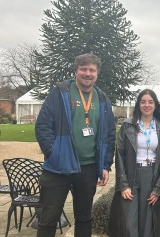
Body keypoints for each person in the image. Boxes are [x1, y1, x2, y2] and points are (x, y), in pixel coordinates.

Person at [35, 53, 116, 237]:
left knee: (84, 217)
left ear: (97, 73)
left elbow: (109, 135)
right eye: (83, 69)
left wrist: (104, 165)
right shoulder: (60, 92)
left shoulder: (102, 99)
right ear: (75, 71)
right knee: (49, 218)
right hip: (58, 167)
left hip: (87, 168)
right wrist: (54, 153)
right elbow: (42, 126)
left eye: (92, 70)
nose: (88, 73)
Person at [108, 89, 160, 237]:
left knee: (148, 223)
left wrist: (158, 187)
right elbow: (120, 156)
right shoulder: (128, 126)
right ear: (138, 104)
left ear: (155, 105)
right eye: (143, 102)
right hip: (132, 174)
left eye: (150, 102)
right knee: (129, 222)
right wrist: (123, 185)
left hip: (152, 176)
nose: (147, 105)